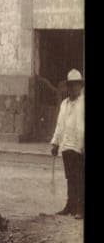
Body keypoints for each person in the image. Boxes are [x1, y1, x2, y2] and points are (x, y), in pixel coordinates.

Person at [51, 69, 84, 219]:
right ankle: (70, 205)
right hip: (67, 146)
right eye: (71, 86)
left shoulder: (83, 103)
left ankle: (80, 208)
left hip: (80, 147)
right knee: (70, 177)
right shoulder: (64, 104)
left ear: (80, 86)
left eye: (76, 85)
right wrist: (55, 143)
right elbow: (59, 124)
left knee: (80, 178)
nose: (73, 89)